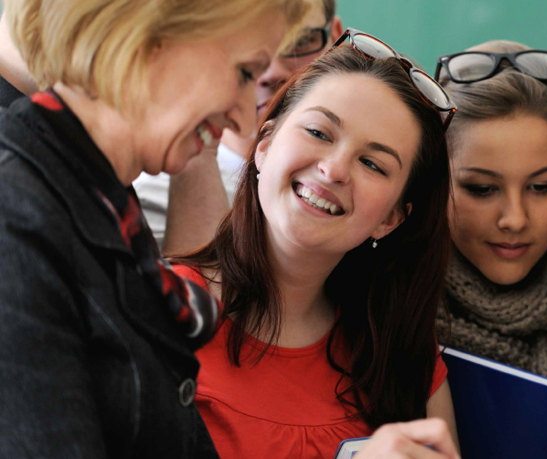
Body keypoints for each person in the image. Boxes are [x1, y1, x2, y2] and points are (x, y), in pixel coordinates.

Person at [0, 0, 309, 457]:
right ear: (144, 41)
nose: (246, 117)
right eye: (246, 73)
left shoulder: (93, 197)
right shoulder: (19, 217)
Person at [171, 31, 460, 459]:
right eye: (318, 132)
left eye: (373, 164)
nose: (334, 168)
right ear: (265, 145)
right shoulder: (160, 312)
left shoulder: (400, 352)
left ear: (391, 218)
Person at [434, 40, 547, 456]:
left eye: (541, 186)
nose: (514, 218)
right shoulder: (379, 303)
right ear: (433, 179)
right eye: (481, 188)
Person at [134, 0, 344, 252]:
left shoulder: (360, 190)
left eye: (300, 42)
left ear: (335, 36)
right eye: (246, 59)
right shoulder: (153, 195)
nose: (272, 72)